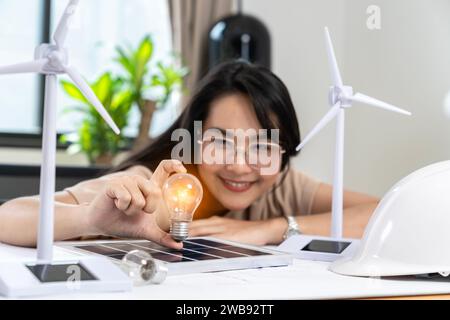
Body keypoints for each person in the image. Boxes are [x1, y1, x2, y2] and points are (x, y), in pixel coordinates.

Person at [0, 61, 378, 248]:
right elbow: (8, 217)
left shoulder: (276, 182)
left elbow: (382, 212)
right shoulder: (152, 186)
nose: (241, 165)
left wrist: (271, 228)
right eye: (221, 142)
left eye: (263, 144)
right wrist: (89, 218)